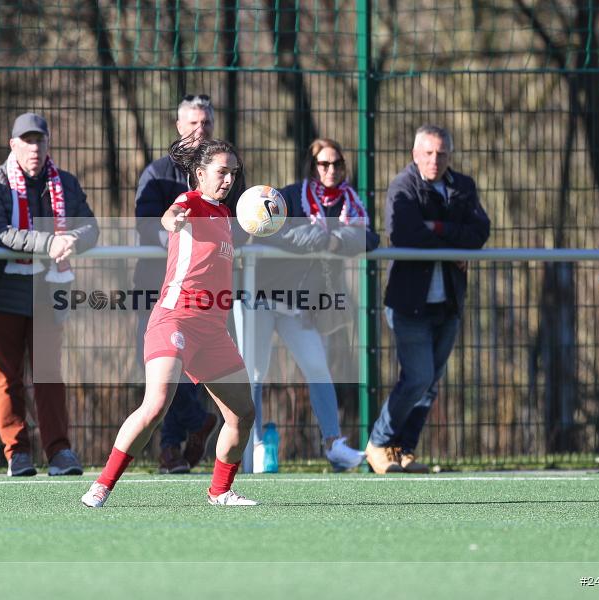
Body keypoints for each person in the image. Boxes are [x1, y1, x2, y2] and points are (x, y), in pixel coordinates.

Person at [82, 137, 256, 508]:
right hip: (174, 319)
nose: (228, 180)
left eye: (233, 174)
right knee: (156, 404)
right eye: (221, 172)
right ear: (199, 173)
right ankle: (101, 485)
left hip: (213, 331)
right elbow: (171, 215)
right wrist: (172, 219)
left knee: (243, 415)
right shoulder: (188, 203)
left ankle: (220, 492)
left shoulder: (227, 217)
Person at [0, 112, 99, 477]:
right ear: (13, 145)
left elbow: (91, 227)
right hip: (1, 294)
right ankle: (18, 453)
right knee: (7, 376)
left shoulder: (66, 184)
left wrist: (73, 239)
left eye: (39, 140)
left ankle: (60, 452)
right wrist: (49, 242)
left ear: (48, 143)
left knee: (48, 374)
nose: (34, 147)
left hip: (49, 292)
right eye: (26, 140)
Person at [366, 125, 490, 474]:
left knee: (429, 384)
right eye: (429, 153)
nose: (435, 160)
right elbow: (406, 233)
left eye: (442, 154)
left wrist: (437, 231)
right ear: (415, 154)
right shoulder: (403, 186)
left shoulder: (462, 186)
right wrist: (453, 243)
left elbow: (479, 231)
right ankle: (379, 441)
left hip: (448, 301)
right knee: (418, 377)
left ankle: (403, 448)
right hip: (409, 303)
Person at [133, 94, 247, 474]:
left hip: (210, 301)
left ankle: (178, 452)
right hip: (160, 288)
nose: (200, 130)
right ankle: (178, 438)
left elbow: (237, 226)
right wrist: (180, 233)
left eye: (206, 124)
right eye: (193, 123)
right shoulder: (159, 175)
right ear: (178, 126)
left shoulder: (226, 174)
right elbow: (153, 221)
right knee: (163, 381)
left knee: (196, 382)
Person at [251, 138, 379, 471]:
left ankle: (334, 445)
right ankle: (253, 445)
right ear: (313, 166)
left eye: (337, 163)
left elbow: (370, 237)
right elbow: (267, 231)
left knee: (318, 368)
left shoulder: (351, 201)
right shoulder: (290, 196)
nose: (331, 170)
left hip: (302, 303)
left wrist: (337, 238)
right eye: (324, 164)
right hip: (262, 297)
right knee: (254, 372)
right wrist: (323, 238)